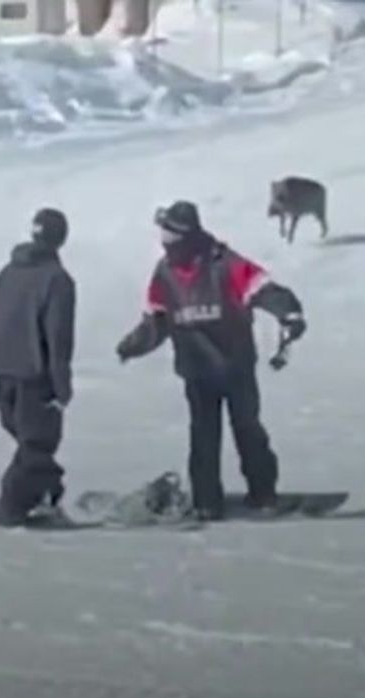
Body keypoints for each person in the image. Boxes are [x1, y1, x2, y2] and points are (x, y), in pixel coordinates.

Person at [116, 201, 306, 521]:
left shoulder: (224, 262)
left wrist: (289, 314)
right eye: (163, 233)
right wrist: (132, 346)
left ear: (188, 236)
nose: (165, 240)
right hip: (196, 370)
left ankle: (263, 494)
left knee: (248, 430)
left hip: (236, 366)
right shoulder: (164, 272)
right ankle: (207, 501)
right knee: (203, 436)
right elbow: (156, 322)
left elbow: (264, 288)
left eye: (171, 234)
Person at [0, 208, 76, 525]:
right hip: (34, 375)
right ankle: (12, 508)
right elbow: (58, 337)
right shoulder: (57, 280)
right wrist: (62, 386)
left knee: (32, 445)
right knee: (38, 444)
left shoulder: (7, 272)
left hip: (2, 371)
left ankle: (46, 495)